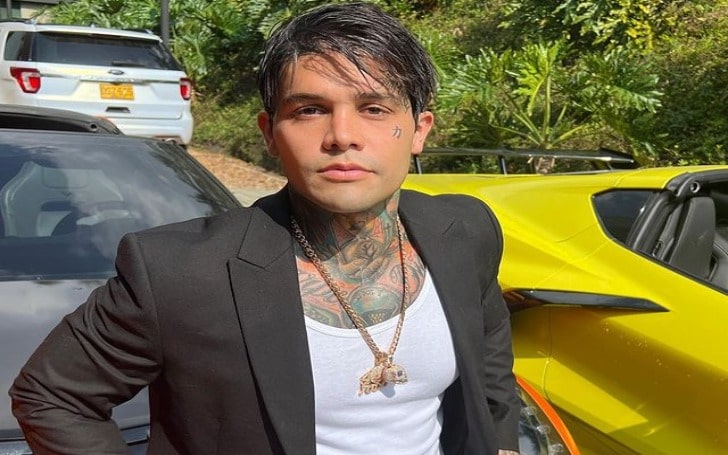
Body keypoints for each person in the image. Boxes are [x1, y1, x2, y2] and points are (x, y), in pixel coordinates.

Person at [10, 2, 521, 454]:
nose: (342, 136)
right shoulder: (180, 272)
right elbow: (51, 395)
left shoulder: (465, 231)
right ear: (269, 134)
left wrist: (501, 443)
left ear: (418, 130)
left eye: (373, 108)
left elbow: (490, 355)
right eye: (310, 110)